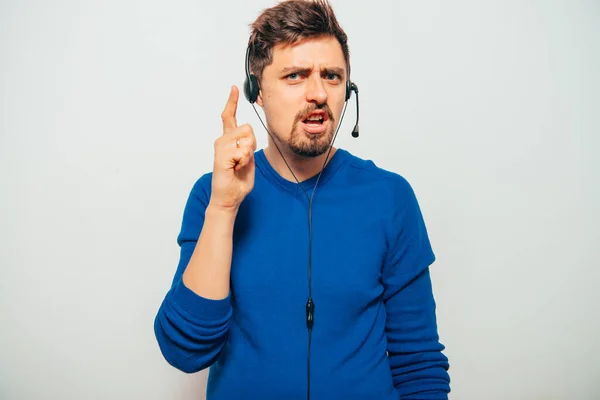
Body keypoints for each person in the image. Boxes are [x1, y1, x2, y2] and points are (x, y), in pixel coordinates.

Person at [154, 0, 451, 398]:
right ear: (257, 92)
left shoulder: (390, 198)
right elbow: (185, 350)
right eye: (295, 76)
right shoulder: (212, 195)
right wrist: (224, 209)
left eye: (331, 76)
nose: (317, 94)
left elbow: (419, 365)